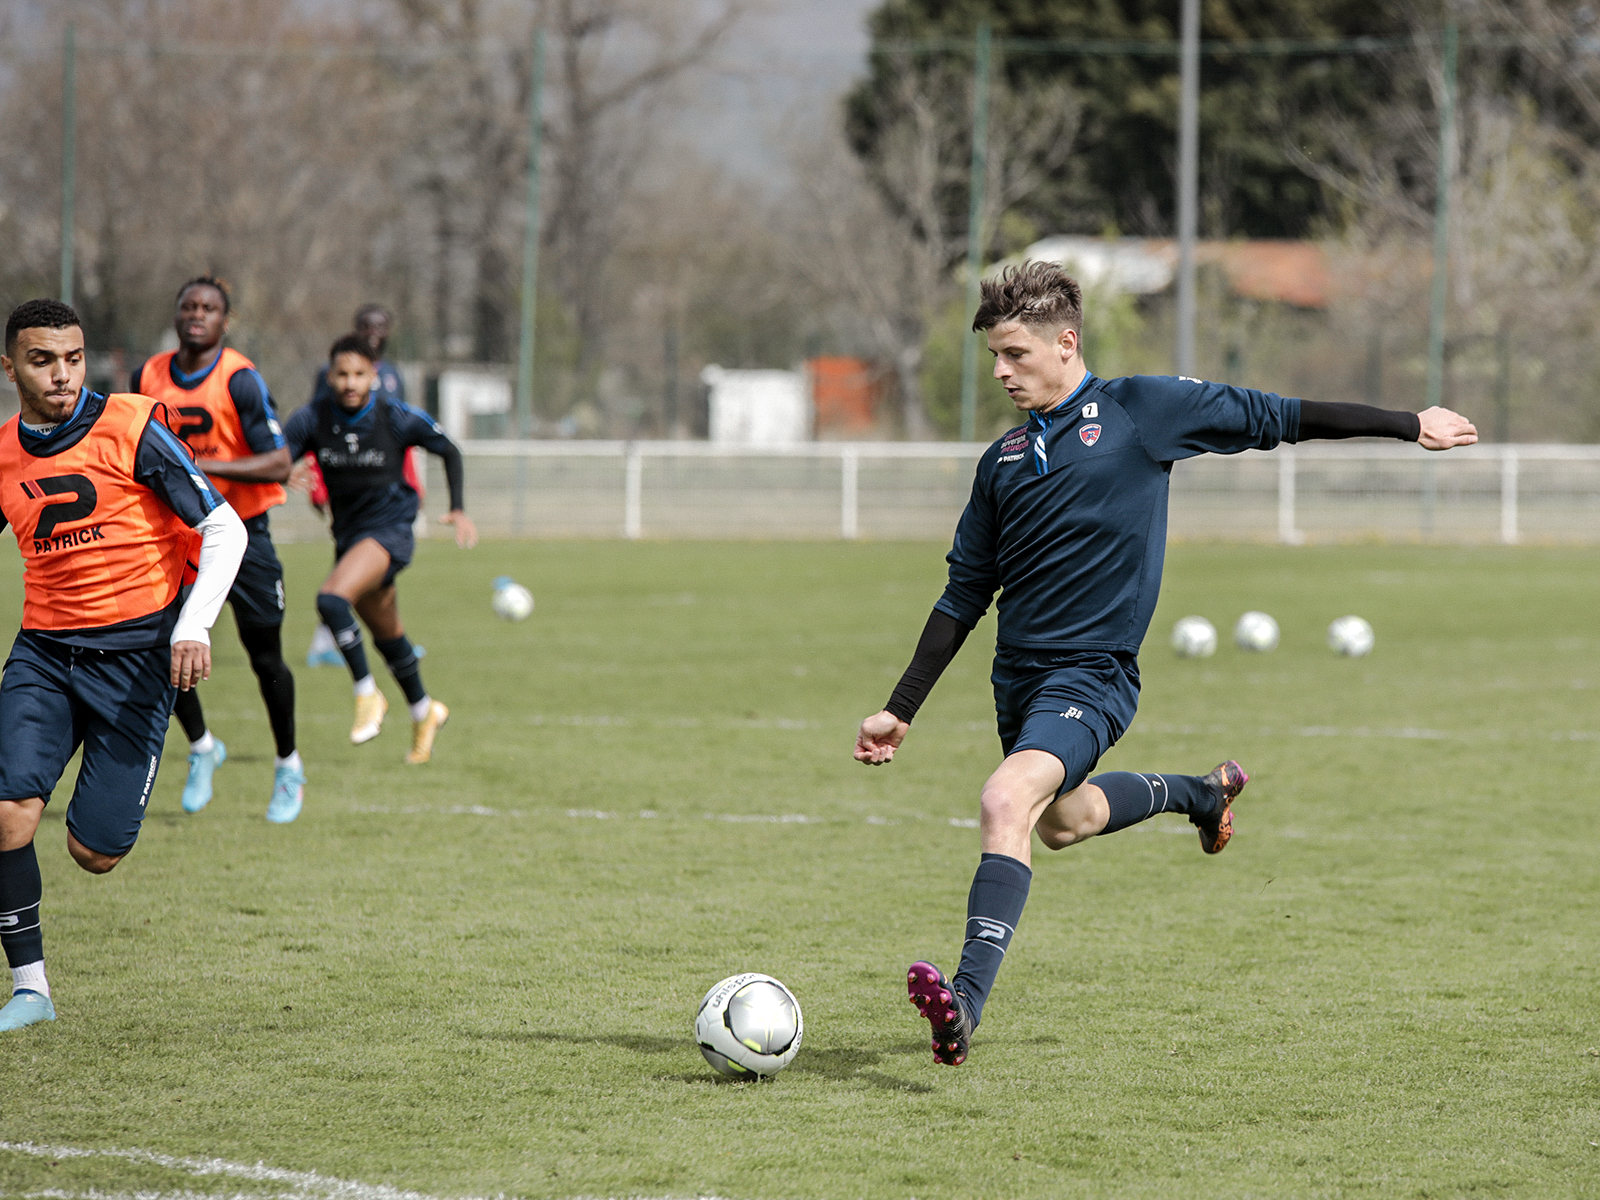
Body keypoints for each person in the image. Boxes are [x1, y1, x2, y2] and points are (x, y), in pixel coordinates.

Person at [853, 261, 1478, 1067]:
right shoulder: (1002, 461)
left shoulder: (1142, 412)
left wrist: (1405, 423)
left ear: (1065, 342)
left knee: (1004, 801)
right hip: (1020, 683)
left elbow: (1277, 415)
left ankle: (964, 1005)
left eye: (1015, 354)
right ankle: (1199, 792)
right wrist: (900, 708)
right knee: (1063, 823)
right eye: (996, 358)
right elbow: (964, 595)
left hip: (1095, 675)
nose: (1002, 372)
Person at [0, 299, 246, 1031]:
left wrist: (192, 626)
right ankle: (31, 991)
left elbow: (223, 526)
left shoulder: (132, 428)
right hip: (43, 653)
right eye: (43, 360)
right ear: (9, 368)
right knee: (9, 813)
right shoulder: (5, 451)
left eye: (73, 358)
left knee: (92, 853)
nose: (62, 374)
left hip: (138, 659)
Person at [132, 276, 303, 822]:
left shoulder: (241, 379)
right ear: (176, 314)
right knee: (165, 647)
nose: (197, 314)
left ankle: (288, 765)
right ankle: (203, 747)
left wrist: (199, 469)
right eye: (188, 306)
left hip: (244, 533)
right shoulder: (148, 375)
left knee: (265, 657)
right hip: (179, 537)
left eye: (208, 308)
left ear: (225, 322)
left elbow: (279, 462)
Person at [284, 334, 476, 764]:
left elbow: (449, 449)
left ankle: (367, 694)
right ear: (329, 376)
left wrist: (458, 508)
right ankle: (426, 711)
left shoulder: (396, 417)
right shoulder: (313, 419)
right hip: (350, 539)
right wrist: (283, 474)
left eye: (359, 374)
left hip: (390, 532)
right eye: (342, 374)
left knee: (331, 600)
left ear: (374, 376)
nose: (350, 383)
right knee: (389, 638)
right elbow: (276, 458)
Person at [302, 305, 424, 668]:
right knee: (350, 562)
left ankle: (383, 641)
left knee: (373, 567)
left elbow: (399, 432)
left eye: (381, 326)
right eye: (367, 326)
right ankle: (331, 641)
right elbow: (316, 431)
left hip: (384, 486)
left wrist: (412, 478)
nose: (375, 332)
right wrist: (317, 485)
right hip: (346, 484)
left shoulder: (392, 375)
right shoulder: (333, 373)